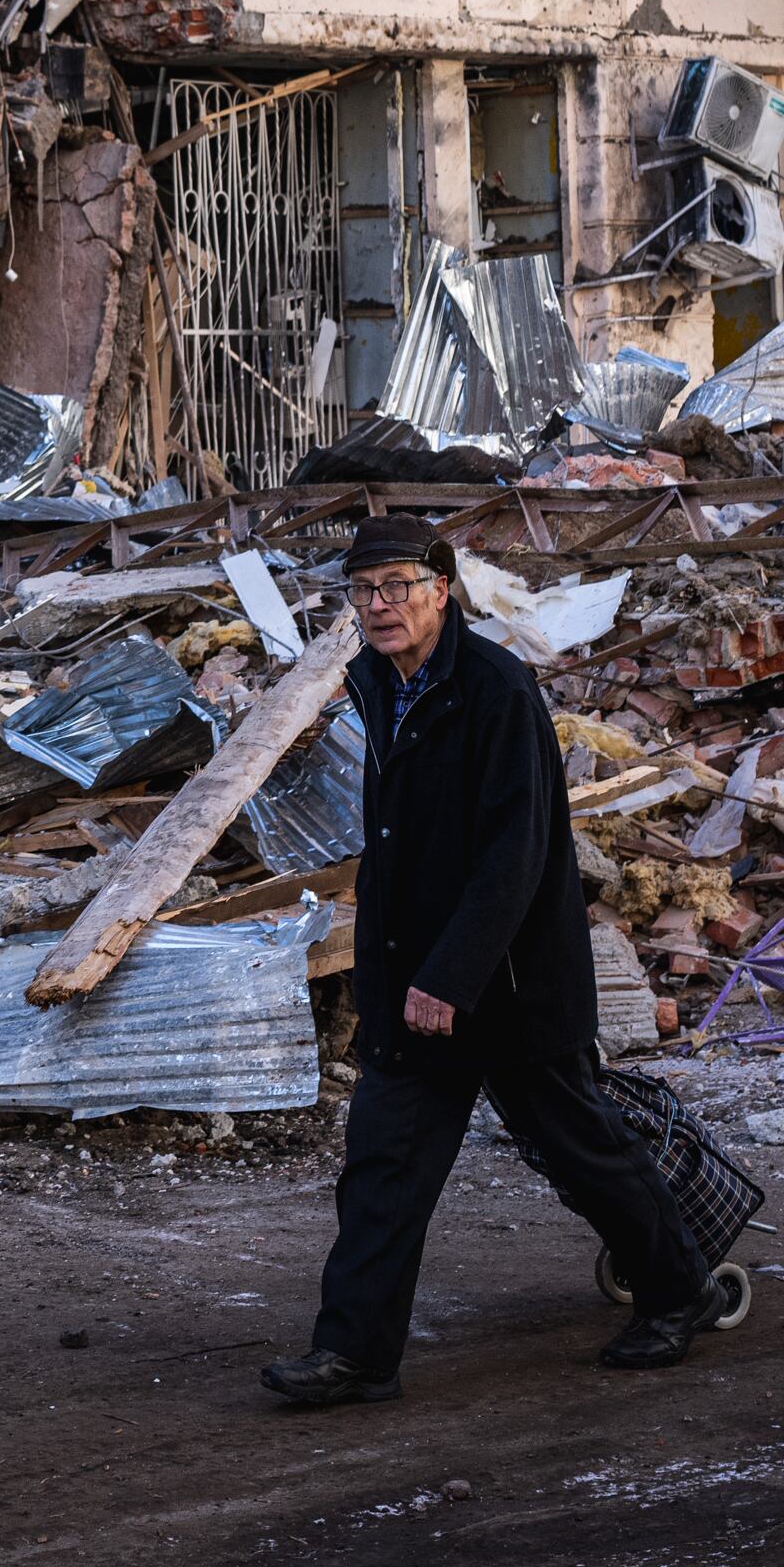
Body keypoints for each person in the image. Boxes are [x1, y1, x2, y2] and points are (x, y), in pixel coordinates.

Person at [261, 515, 730, 1402]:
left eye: (400, 585)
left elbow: (514, 853)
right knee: (383, 1162)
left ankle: (681, 1290)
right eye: (364, 591)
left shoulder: (496, 687)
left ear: (443, 590)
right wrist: (393, 969)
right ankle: (355, 1355)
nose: (380, 605)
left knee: (582, 1148)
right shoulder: (374, 679)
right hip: (413, 971)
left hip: (506, 983)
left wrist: (452, 974)